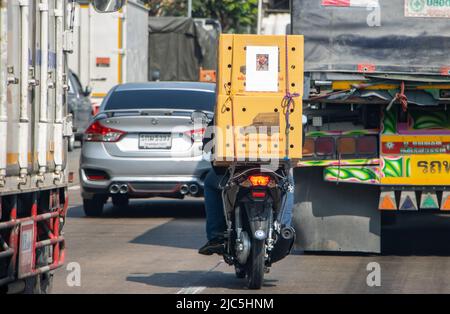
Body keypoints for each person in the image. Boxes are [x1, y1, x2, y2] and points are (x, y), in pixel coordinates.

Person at [198, 121, 295, 255]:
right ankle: (284, 229)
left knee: (210, 183)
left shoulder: (229, 104)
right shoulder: (282, 107)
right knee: (288, 185)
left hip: (237, 170)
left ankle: (216, 236)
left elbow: (208, 145)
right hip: (273, 168)